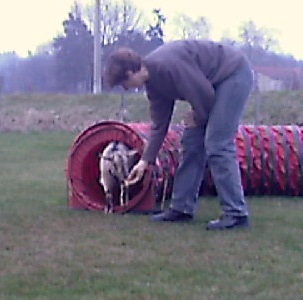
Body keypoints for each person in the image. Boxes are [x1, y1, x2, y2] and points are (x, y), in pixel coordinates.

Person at [103, 39, 253, 230]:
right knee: (191, 143)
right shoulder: (154, 84)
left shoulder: (168, 66)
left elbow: (205, 95)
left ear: (131, 72)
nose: (125, 88)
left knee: (217, 143)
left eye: (123, 83)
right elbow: (159, 126)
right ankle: (182, 208)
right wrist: (145, 162)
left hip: (232, 74)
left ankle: (236, 214)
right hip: (212, 84)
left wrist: (198, 118)